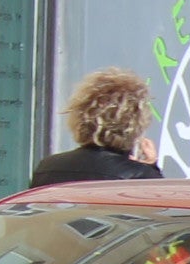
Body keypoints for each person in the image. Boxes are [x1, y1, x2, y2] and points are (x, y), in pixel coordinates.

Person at [26, 69, 163, 187]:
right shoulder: (140, 178)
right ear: (135, 124)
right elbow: (159, 212)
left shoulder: (47, 168)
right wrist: (151, 169)